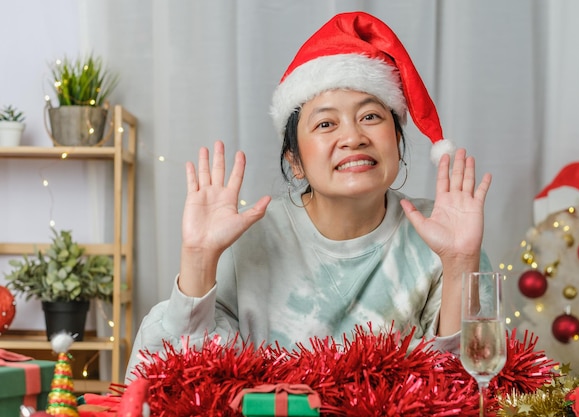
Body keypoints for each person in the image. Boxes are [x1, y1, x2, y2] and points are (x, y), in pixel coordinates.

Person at [126, 11, 492, 380]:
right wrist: (199, 260)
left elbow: (469, 388)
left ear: (397, 142)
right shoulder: (244, 241)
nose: (353, 137)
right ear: (295, 162)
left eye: (370, 117)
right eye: (326, 124)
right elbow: (167, 380)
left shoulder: (442, 237)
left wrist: (461, 263)